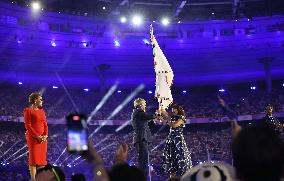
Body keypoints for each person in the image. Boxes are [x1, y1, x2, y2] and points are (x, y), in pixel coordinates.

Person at [160, 104, 192, 178]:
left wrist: (166, 122)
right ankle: (172, 177)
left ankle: (185, 177)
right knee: (171, 159)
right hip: (171, 139)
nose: (172, 110)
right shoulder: (173, 117)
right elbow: (166, 114)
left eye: (174, 109)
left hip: (178, 140)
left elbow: (175, 125)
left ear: (178, 110)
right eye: (172, 109)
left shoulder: (182, 118)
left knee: (180, 157)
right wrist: (161, 108)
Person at [24, 92, 48, 181]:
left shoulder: (42, 111)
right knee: (33, 159)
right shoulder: (28, 110)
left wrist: (45, 135)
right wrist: (37, 136)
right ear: (35, 100)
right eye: (40, 99)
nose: (42, 101)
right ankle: (33, 179)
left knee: (42, 160)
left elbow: (45, 124)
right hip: (33, 138)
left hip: (43, 139)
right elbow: (28, 125)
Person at [131, 98, 158, 176]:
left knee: (144, 159)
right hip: (141, 137)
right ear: (140, 105)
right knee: (143, 160)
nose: (145, 106)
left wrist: (155, 118)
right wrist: (157, 114)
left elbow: (147, 120)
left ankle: (142, 176)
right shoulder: (139, 112)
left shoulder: (138, 114)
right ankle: (141, 177)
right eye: (144, 104)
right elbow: (148, 116)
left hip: (142, 137)